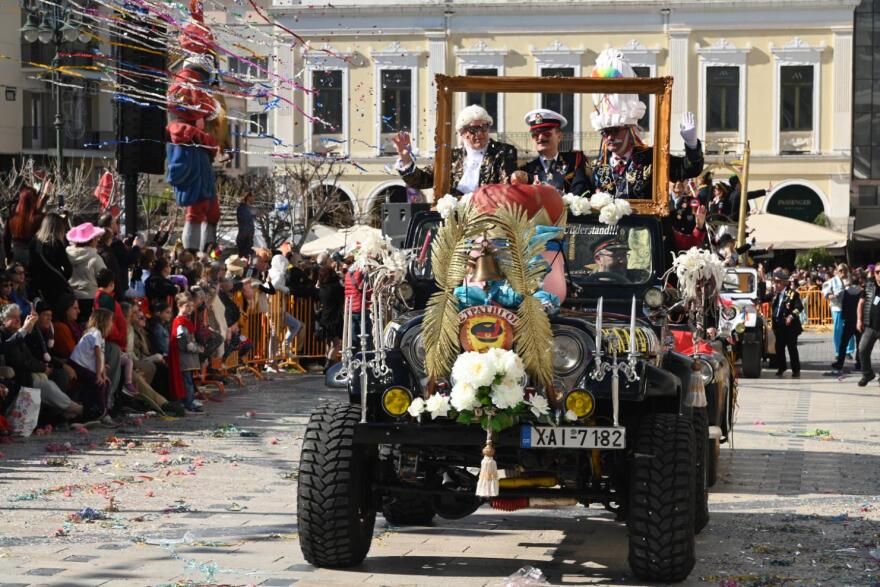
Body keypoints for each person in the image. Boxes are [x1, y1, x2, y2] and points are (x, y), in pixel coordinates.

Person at [588, 48, 703, 199]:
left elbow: (687, 170)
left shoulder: (651, 159)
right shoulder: (597, 166)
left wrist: (692, 144)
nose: (609, 137)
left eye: (615, 131)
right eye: (605, 132)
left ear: (629, 129)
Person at [392, 104, 518, 195]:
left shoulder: (503, 152)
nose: (479, 133)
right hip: (456, 221)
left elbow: (505, 188)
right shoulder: (451, 156)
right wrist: (406, 158)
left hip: (490, 218)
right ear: (462, 133)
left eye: (483, 128)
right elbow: (422, 181)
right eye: (473, 129)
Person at [0, 303, 83, 421]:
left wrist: (44, 367)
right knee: (46, 384)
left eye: (19, 316)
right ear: (3, 320)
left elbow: (31, 357)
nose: (18, 320)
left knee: (52, 378)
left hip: (30, 372)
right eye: (13, 317)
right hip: (19, 375)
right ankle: (74, 409)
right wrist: (42, 368)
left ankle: (63, 413)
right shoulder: (5, 334)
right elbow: (20, 361)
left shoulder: (22, 333)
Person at [518, 109, 594, 196]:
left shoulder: (575, 161)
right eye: (535, 134)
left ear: (559, 136)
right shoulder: (526, 169)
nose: (540, 137)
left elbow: (580, 190)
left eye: (546, 133)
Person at [68, 308, 115, 426]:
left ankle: (102, 411)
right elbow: (98, 356)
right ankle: (99, 412)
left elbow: (101, 357)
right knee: (98, 382)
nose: (112, 324)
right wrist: (99, 375)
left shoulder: (99, 336)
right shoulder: (95, 333)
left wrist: (103, 374)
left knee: (106, 383)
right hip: (77, 363)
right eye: (110, 321)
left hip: (85, 365)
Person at [168, 291, 204, 413]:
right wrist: (196, 348)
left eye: (191, 306)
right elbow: (183, 342)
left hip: (186, 358)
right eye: (187, 306)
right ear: (180, 306)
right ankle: (188, 403)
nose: (190, 309)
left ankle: (189, 401)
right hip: (183, 357)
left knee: (188, 380)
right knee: (186, 381)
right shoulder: (180, 323)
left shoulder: (184, 321)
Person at [29, 212, 73, 306]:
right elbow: (68, 268)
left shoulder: (33, 243)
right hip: (56, 286)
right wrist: (61, 278)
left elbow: (31, 268)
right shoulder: (56, 243)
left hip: (40, 285)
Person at [66, 222, 107, 322]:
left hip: (72, 298)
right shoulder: (95, 258)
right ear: (92, 240)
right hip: (90, 299)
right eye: (96, 239)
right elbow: (105, 277)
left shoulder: (67, 255)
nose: (97, 241)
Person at [770, 269, 803, 377]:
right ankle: (781, 368)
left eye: (778, 282)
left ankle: (796, 370)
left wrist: (791, 316)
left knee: (791, 348)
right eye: (775, 282)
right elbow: (763, 298)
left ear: (784, 283)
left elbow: (799, 307)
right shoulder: (776, 294)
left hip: (790, 327)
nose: (776, 285)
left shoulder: (793, 294)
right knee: (779, 348)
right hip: (779, 326)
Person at [316, 257, 344, 372]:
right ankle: (328, 365)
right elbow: (341, 298)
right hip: (334, 317)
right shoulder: (336, 287)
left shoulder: (322, 288)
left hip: (325, 318)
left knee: (330, 343)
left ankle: (328, 363)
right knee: (336, 343)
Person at [6, 185, 45, 265]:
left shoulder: (12, 217)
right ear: (34, 201)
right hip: (33, 257)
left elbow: (6, 238)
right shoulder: (38, 218)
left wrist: (8, 255)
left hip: (15, 253)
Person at [832, 277, 862, 372]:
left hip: (848, 321)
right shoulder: (862, 292)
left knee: (843, 343)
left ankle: (839, 363)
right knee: (860, 344)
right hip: (859, 321)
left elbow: (836, 301)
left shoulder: (845, 292)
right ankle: (859, 363)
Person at [857, 264, 880, 386]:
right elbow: (860, 304)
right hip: (870, 325)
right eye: (877, 272)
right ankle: (867, 374)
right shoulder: (868, 286)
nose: (879, 274)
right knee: (862, 349)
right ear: (874, 273)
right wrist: (859, 320)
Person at [52, 293, 82, 360]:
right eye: (75, 308)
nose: (79, 311)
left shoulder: (72, 324)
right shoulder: (61, 327)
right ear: (66, 310)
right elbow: (73, 353)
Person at [236, 192, 256, 257]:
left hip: (248, 240)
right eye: (253, 196)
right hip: (243, 240)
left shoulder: (249, 208)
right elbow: (245, 221)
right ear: (248, 197)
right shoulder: (241, 208)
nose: (254, 198)